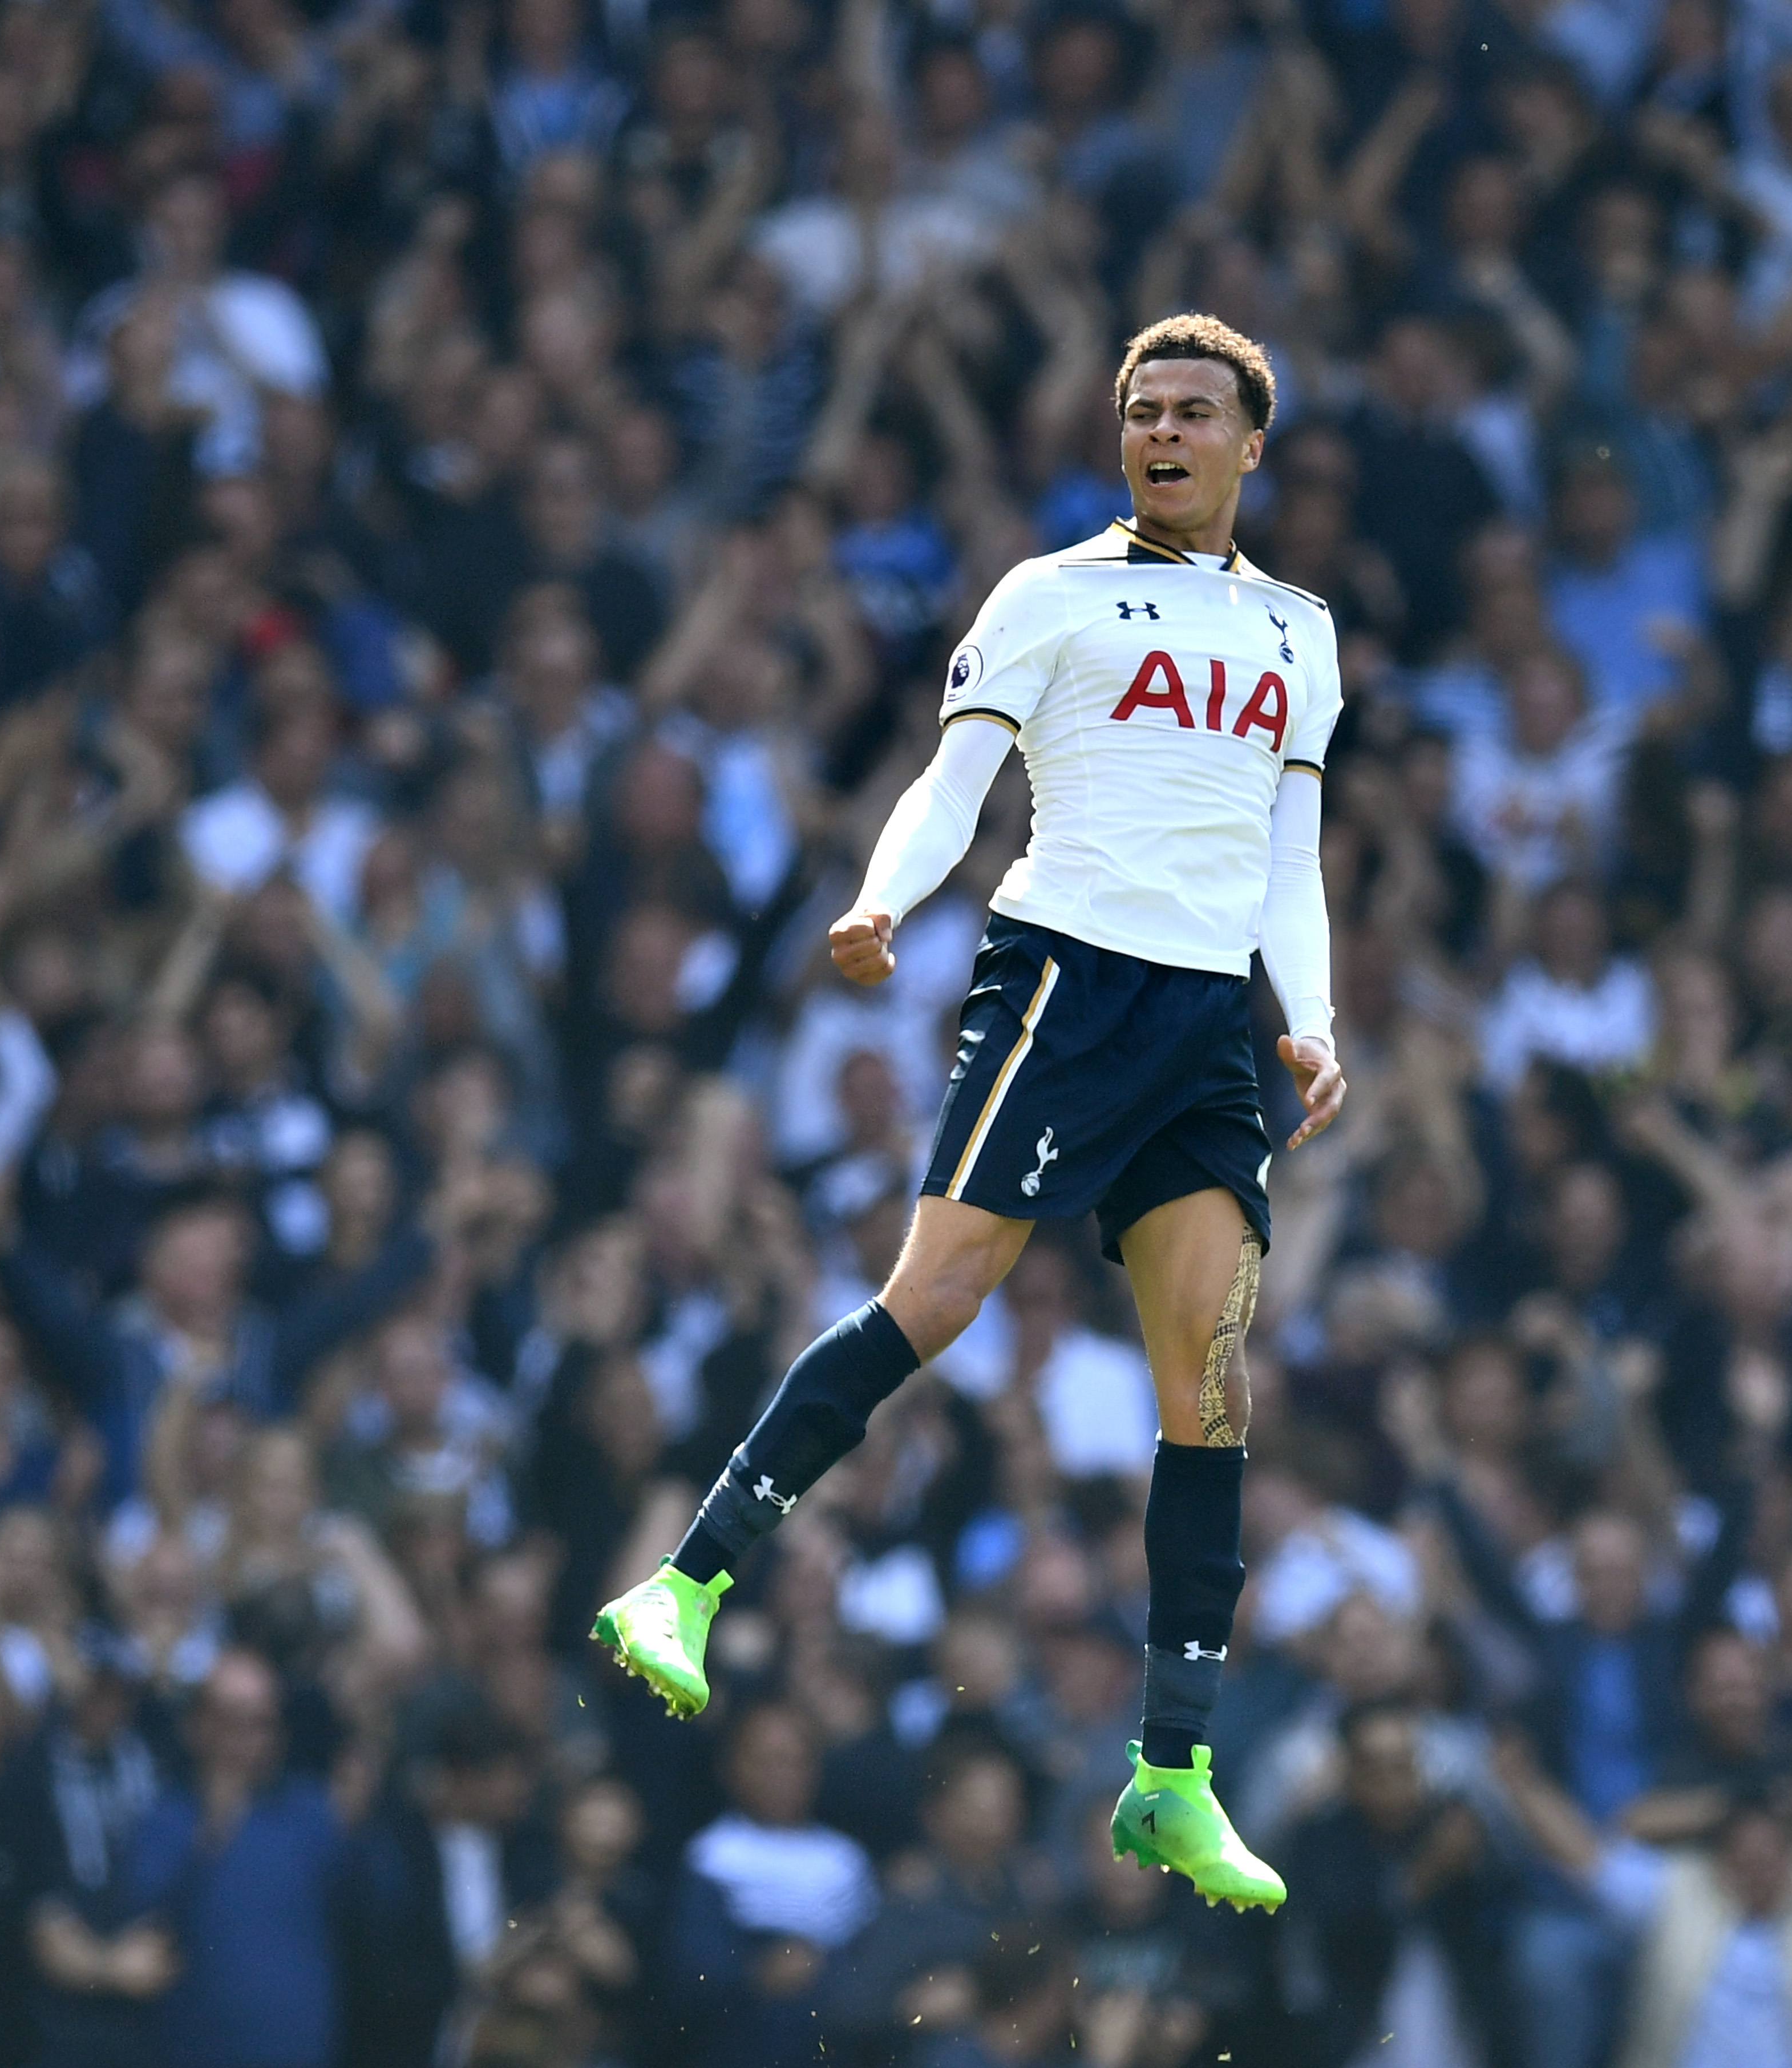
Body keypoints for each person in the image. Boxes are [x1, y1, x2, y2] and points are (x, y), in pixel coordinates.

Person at [592, 312, 1347, 1913]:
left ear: (1249, 443)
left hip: (1212, 1021)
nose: (1162, 429)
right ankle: (685, 1582)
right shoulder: (1051, 595)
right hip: (1071, 984)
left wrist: (1315, 1023)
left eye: (1195, 411)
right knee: (931, 1302)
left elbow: (1290, 846)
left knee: (1209, 1386)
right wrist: (882, 902)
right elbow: (954, 780)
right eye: (1141, 407)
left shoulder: (1302, 633)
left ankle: (1172, 1773)